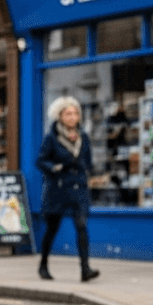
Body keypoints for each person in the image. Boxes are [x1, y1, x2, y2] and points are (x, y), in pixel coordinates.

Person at [37, 96, 99, 282]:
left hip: (78, 188)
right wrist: (54, 168)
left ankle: (85, 269)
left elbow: (88, 161)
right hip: (58, 189)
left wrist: (89, 173)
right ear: (60, 116)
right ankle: (43, 264)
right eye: (68, 114)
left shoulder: (83, 137)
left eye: (75, 113)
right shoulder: (51, 138)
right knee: (52, 228)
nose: (73, 117)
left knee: (82, 226)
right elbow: (40, 161)